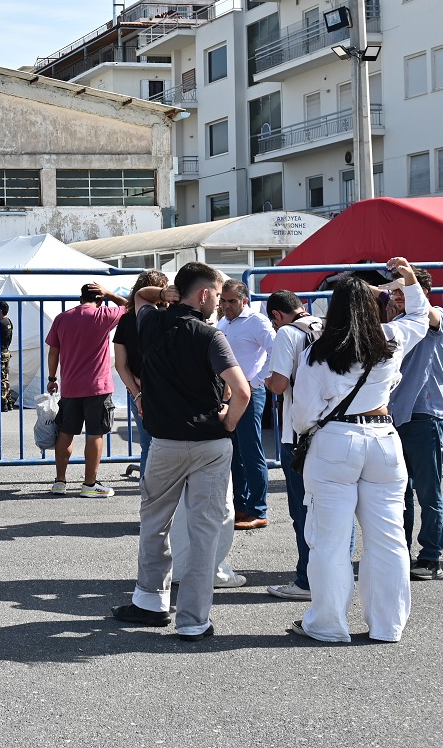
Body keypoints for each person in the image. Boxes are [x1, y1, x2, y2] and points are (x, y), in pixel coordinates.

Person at [288, 257, 428, 645]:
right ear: (371, 306)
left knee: (329, 541)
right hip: (384, 438)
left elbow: (302, 415)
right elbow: (419, 316)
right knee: (388, 538)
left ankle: (328, 624)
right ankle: (388, 625)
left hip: (335, 441)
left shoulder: (318, 352)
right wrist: (409, 279)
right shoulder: (391, 340)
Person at [111, 262, 248, 642]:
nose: (218, 302)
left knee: (155, 524)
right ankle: (193, 620)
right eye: (216, 294)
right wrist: (228, 422)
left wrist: (162, 294)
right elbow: (242, 391)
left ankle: (150, 603)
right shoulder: (211, 336)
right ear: (203, 294)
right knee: (204, 532)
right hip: (210, 445)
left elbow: (140, 296)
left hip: (165, 443)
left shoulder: (151, 322)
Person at [386, 265, 443, 581]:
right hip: (394, 416)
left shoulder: (439, 316)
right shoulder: (398, 323)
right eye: (395, 291)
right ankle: (400, 552)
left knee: (428, 492)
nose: (398, 296)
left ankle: (430, 557)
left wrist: (408, 276)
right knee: (399, 492)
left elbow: (428, 314)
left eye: (404, 290)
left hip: (424, 415)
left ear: (422, 291)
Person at [263, 289, 326, 601]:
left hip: (298, 434)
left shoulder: (287, 333)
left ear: (277, 316)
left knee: (302, 511)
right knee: (334, 512)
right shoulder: (327, 325)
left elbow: (279, 384)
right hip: (332, 430)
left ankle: (306, 581)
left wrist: (264, 381)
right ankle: (334, 578)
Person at [45, 282, 127, 498]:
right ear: (100, 299)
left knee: (66, 432)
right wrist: (110, 294)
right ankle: (89, 484)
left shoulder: (62, 318)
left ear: (80, 298)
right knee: (95, 433)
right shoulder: (104, 315)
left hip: (70, 386)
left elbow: (53, 352)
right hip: (98, 387)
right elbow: (130, 306)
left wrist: (52, 378)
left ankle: (60, 482)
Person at [217, 279, 276, 530]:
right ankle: (241, 505)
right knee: (234, 453)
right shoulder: (224, 322)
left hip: (249, 394)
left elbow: (275, 352)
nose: (226, 305)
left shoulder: (257, 321)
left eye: (231, 301)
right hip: (230, 394)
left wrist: (255, 382)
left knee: (251, 452)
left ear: (244, 300)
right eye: (223, 300)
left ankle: (258, 510)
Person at [113, 270, 169, 479]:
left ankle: (148, 493)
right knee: (171, 445)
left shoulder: (126, 320)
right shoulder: (166, 317)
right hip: (166, 389)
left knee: (148, 447)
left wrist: (137, 394)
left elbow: (121, 365)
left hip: (138, 390)